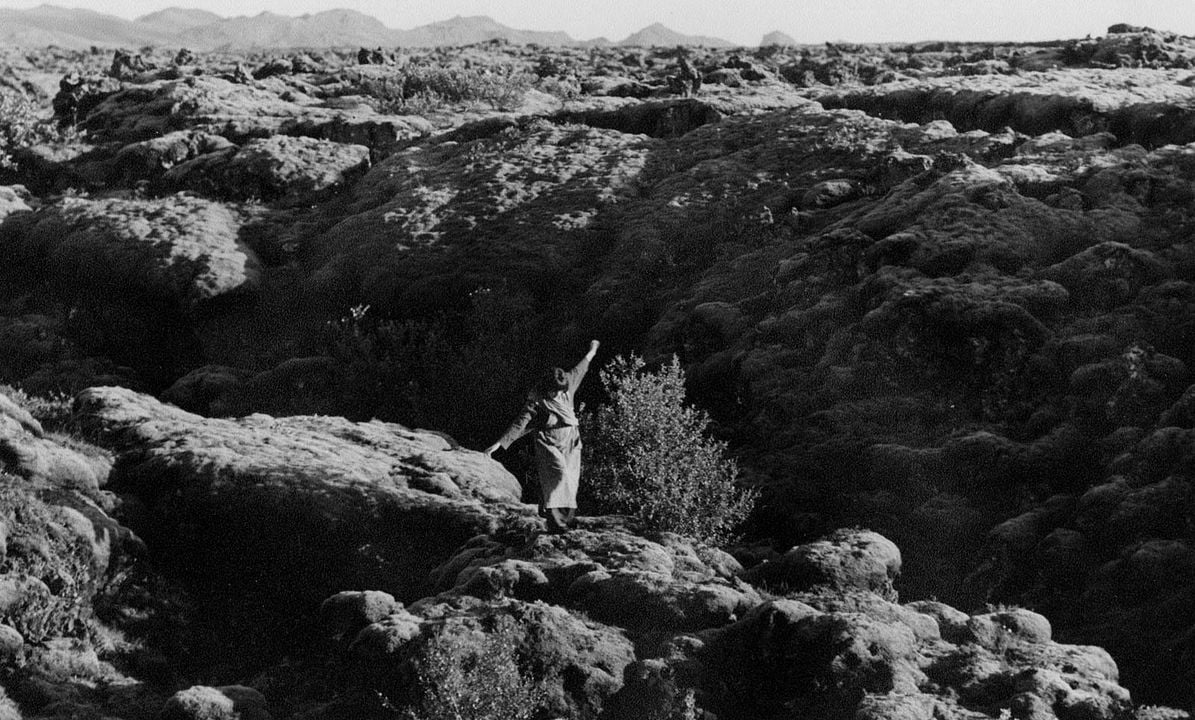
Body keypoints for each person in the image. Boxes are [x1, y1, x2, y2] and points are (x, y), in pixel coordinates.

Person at [484, 340, 600, 533]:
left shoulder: (567, 383)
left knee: (570, 480)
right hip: (549, 444)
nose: (557, 395)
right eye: (553, 392)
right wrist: (500, 443)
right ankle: (557, 524)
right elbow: (520, 423)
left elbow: (581, 368)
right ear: (546, 388)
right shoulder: (536, 400)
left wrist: (592, 351)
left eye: (560, 392)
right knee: (558, 477)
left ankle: (565, 522)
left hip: (571, 441)